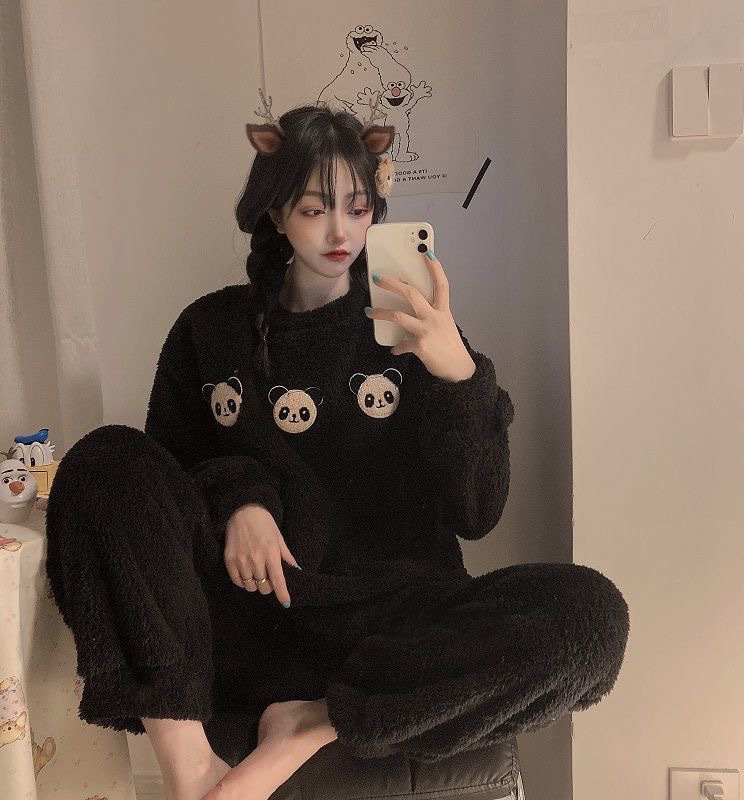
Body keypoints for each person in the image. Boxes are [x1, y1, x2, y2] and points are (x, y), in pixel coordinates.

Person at [45, 105, 630, 800]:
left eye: (357, 209)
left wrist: (459, 374)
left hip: (393, 637)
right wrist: (240, 500)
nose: (340, 233)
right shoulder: (211, 329)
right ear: (276, 213)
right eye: (315, 209)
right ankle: (192, 770)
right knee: (103, 458)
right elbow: (162, 482)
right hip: (256, 621)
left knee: (593, 617)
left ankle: (316, 723)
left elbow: (477, 512)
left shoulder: (415, 327)